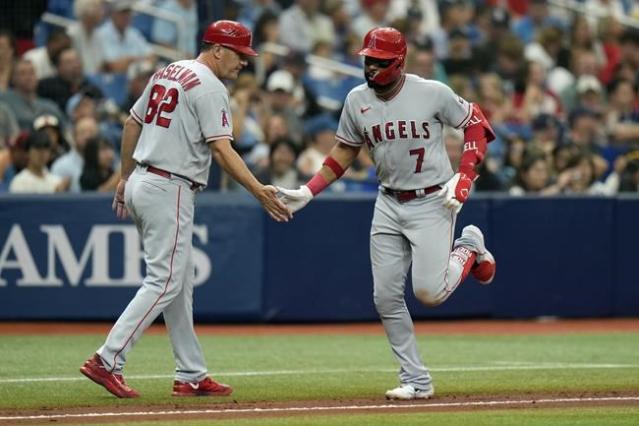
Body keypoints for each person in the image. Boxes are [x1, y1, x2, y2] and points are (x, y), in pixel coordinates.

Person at [277, 27, 497, 400]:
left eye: (379, 62)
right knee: (385, 297)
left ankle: (469, 248)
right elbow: (345, 151)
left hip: (432, 200)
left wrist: (465, 173)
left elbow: (477, 123)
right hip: (388, 201)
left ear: (399, 62)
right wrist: (308, 191)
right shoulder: (356, 99)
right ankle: (416, 379)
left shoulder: (431, 92)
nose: (371, 68)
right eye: (368, 60)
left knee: (429, 293)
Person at [79, 20, 290, 399]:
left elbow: (132, 123)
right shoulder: (210, 86)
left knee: (179, 284)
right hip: (170, 185)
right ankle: (107, 359)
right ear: (218, 49)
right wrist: (258, 190)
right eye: (240, 54)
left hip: (144, 178)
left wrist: (125, 178)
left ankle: (191, 373)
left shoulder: (168, 71)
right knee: (165, 281)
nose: (244, 62)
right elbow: (222, 150)